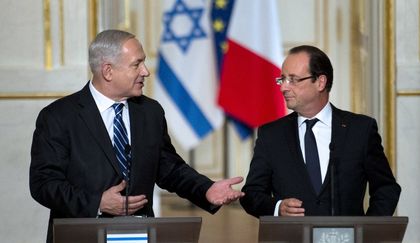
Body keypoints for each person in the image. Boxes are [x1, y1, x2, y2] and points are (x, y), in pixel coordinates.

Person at [29, 29, 244, 243]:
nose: (146, 71)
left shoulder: (150, 112)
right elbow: (43, 184)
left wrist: (206, 189)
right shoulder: (58, 117)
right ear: (108, 71)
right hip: (80, 235)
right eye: (136, 64)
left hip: (138, 233)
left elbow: (169, 169)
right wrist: (97, 203)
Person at [240, 45, 400, 218]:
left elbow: (386, 188)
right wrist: (277, 208)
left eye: (293, 80)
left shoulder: (360, 129)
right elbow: (251, 194)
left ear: (320, 82)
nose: (283, 88)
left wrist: (367, 232)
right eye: (282, 79)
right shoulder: (271, 135)